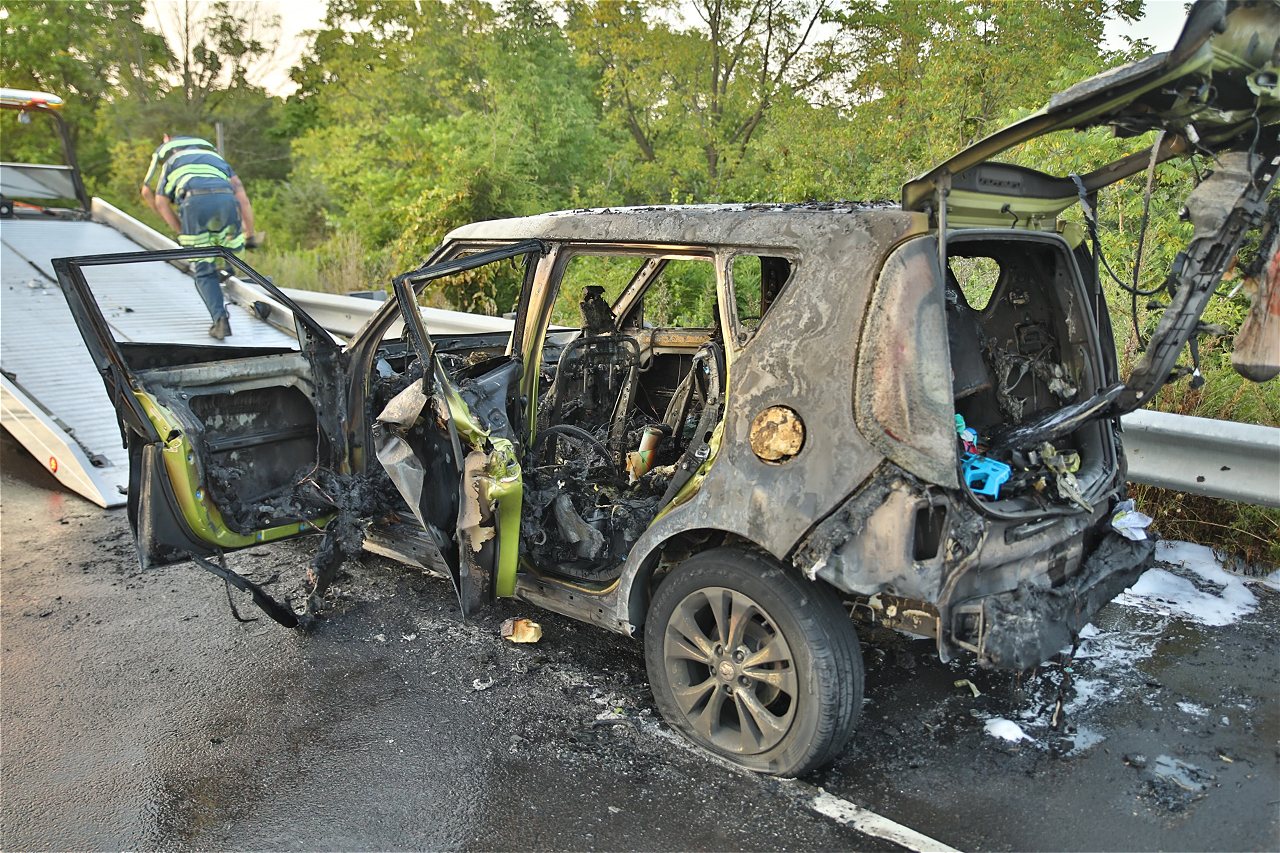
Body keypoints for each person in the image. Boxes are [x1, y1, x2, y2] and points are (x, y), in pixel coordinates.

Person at [140, 134, 256, 339]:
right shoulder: (215, 158)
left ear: (171, 144)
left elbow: (157, 200)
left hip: (195, 204)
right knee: (229, 253)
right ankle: (227, 273)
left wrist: (180, 231)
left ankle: (220, 320)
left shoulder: (171, 161)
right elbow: (242, 197)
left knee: (203, 269)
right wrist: (250, 233)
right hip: (226, 200)